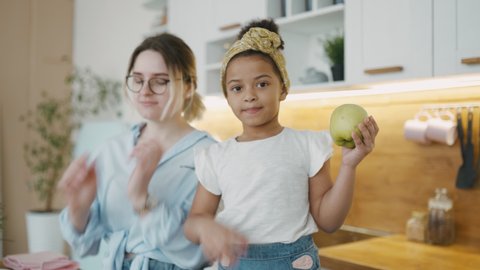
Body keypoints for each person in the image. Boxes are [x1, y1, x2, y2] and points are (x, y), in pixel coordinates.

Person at [184, 19, 379, 270]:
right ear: (227, 97)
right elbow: (193, 222)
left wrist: (350, 166)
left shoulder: (308, 145)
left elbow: (329, 222)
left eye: (262, 84)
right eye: (236, 88)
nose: (249, 95)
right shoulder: (215, 155)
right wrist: (205, 227)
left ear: (283, 88)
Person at [58, 33, 215, 270]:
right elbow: (85, 246)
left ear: (189, 87)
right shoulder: (111, 149)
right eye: (138, 79)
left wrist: (142, 198)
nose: (145, 91)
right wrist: (78, 209)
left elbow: (196, 253)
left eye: (160, 81)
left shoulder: (208, 154)